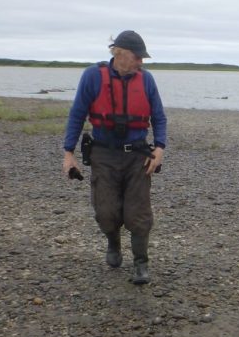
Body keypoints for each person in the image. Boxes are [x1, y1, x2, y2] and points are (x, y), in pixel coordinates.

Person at [62, 30, 167, 285]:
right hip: (104, 154)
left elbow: (159, 117)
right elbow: (77, 115)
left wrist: (159, 148)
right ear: (119, 53)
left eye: (142, 58)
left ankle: (141, 263)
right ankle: (113, 243)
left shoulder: (147, 80)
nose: (141, 62)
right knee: (106, 211)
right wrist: (68, 154)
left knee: (138, 213)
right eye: (137, 56)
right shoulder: (92, 76)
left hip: (137, 156)